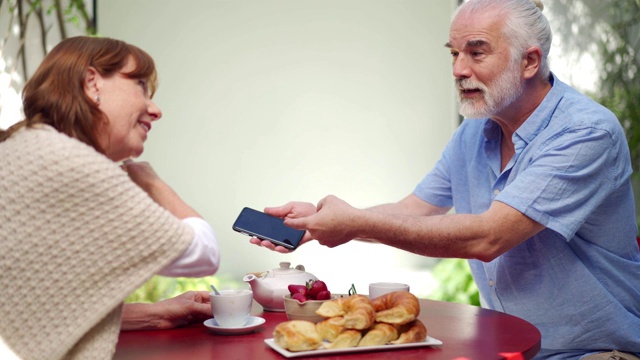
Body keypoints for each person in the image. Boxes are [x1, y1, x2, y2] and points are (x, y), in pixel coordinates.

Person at [251, 0, 640, 358]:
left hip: (597, 353)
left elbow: (488, 237)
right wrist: (317, 223)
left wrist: (352, 224)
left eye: (476, 52)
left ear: (529, 62)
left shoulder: (586, 133)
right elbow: (413, 211)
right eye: (454, 54)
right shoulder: (474, 131)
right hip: (518, 350)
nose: (458, 69)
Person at [0, 36, 220, 359]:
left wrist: (153, 313)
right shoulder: (72, 163)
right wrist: (153, 182)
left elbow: (40, 311)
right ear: (92, 83)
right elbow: (203, 252)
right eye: (141, 86)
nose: (155, 110)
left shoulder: (25, 147)